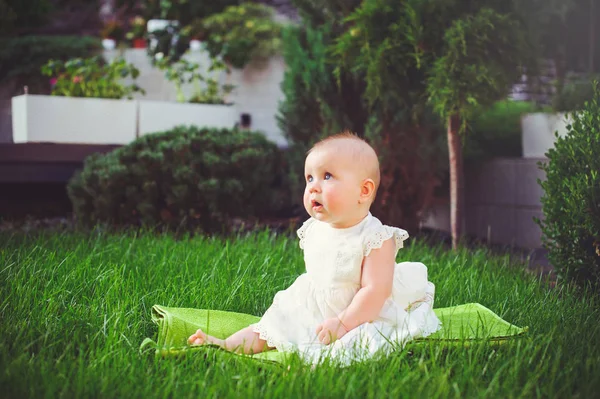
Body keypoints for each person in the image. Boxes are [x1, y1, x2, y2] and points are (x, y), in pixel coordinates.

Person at [188, 131, 441, 364]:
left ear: (363, 191)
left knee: (361, 344)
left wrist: (343, 322)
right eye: (309, 178)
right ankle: (227, 345)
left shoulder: (376, 238)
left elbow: (375, 291)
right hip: (313, 302)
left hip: (361, 312)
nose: (313, 187)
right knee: (274, 325)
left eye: (327, 176)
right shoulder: (313, 228)